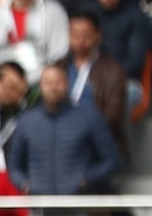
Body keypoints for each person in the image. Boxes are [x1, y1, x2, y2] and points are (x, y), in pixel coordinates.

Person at [5, 62, 128, 216]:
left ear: (67, 84)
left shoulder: (88, 117)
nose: (53, 87)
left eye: (58, 82)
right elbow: (14, 164)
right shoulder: (27, 121)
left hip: (75, 210)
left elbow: (111, 160)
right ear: (40, 86)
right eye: (47, 82)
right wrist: (24, 183)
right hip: (40, 212)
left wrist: (86, 179)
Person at [57, 9, 133, 159]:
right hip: (59, 135)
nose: (80, 40)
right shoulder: (59, 67)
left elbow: (113, 115)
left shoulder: (113, 70)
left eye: (86, 35)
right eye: (75, 35)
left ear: (98, 36)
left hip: (95, 138)